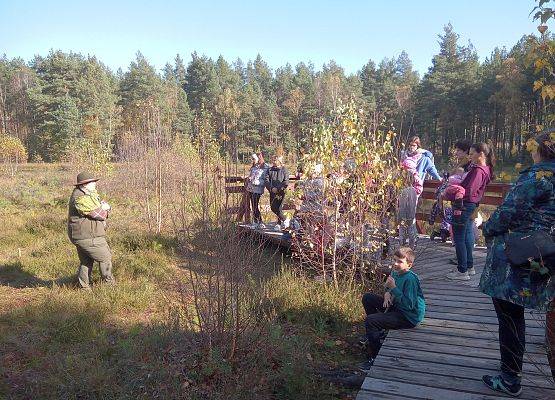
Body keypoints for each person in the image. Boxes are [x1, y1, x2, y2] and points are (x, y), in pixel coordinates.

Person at [478, 130, 555, 396]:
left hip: (516, 255)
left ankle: (510, 377)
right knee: (515, 315)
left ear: (539, 150)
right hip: (543, 254)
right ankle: (512, 368)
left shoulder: (537, 177)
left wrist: (486, 228)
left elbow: (507, 214)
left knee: (510, 316)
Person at [360, 247, 425, 369]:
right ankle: (375, 334)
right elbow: (388, 287)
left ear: (409, 265)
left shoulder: (410, 279)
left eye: (400, 262)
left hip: (409, 316)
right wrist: (387, 294)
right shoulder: (395, 272)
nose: (395, 264)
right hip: (397, 306)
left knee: (371, 321)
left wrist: (394, 288)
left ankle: (375, 356)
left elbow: (409, 305)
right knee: (367, 298)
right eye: (394, 260)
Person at [446, 143, 494, 281]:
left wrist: (454, 190)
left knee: (459, 237)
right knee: (466, 235)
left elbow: (470, 190)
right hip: (470, 205)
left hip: (464, 205)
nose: (470, 156)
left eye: (472, 153)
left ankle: (462, 271)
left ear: (481, 154)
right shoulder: (484, 169)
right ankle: (469, 266)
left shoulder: (479, 170)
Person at [68, 171, 115, 289]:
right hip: (88, 236)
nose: (95, 184)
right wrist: (105, 208)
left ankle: (84, 287)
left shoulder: (87, 194)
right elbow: (100, 214)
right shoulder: (80, 197)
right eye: (92, 182)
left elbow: (101, 208)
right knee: (105, 258)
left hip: (84, 235)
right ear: (84, 184)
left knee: (86, 262)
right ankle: (109, 286)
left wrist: (104, 208)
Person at [265, 155, 290, 231]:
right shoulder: (269, 170)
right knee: (273, 207)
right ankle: (285, 219)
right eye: (273, 160)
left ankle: (279, 224)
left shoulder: (284, 169)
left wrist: (278, 188)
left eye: (275, 160)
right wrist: (271, 188)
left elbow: (286, 181)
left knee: (279, 208)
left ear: (279, 161)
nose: (273, 161)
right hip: (272, 191)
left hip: (281, 191)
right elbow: (266, 180)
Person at [398, 169, 420, 249]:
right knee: (411, 231)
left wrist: (400, 216)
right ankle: (411, 247)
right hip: (412, 214)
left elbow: (402, 205)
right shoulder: (414, 190)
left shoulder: (403, 191)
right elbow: (414, 203)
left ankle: (402, 247)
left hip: (404, 215)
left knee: (402, 232)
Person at [246, 153, 269, 229]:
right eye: (252, 159)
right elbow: (251, 175)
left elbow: (266, 179)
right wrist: (249, 178)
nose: (253, 160)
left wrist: (257, 182)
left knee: (255, 205)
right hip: (251, 188)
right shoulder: (254, 167)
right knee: (253, 205)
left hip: (258, 189)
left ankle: (260, 222)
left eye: (254, 159)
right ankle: (256, 222)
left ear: (259, 159)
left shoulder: (265, 167)